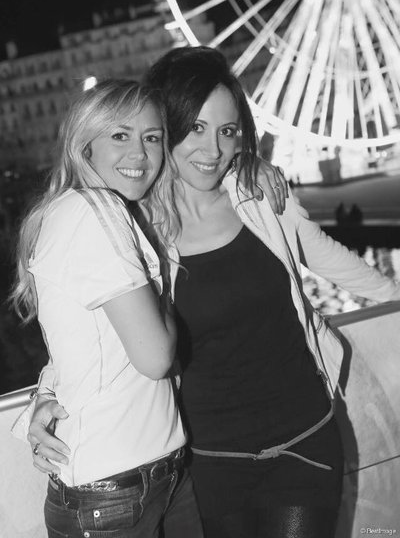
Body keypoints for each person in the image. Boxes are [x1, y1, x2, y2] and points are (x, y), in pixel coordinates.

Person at [24, 47, 400, 537]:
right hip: (208, 464)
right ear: (168, 128)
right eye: (196, 128)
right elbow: (97, 332)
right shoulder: (139, 230)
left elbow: (338, 263)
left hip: (304, 441)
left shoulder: (258, 198)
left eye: (228, 131)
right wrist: (46, 394)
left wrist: (393, 294)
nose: (213, 149)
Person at [10, 79, 205, 538]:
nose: (140, 153)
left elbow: (83, 340)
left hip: (148, 477)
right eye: (120, 135)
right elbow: (155, 357)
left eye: (152, 137)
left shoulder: (89, 212)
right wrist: (165, 288)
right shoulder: (94, 210)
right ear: (85, 146)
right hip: (115, 493)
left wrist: (45, 393)